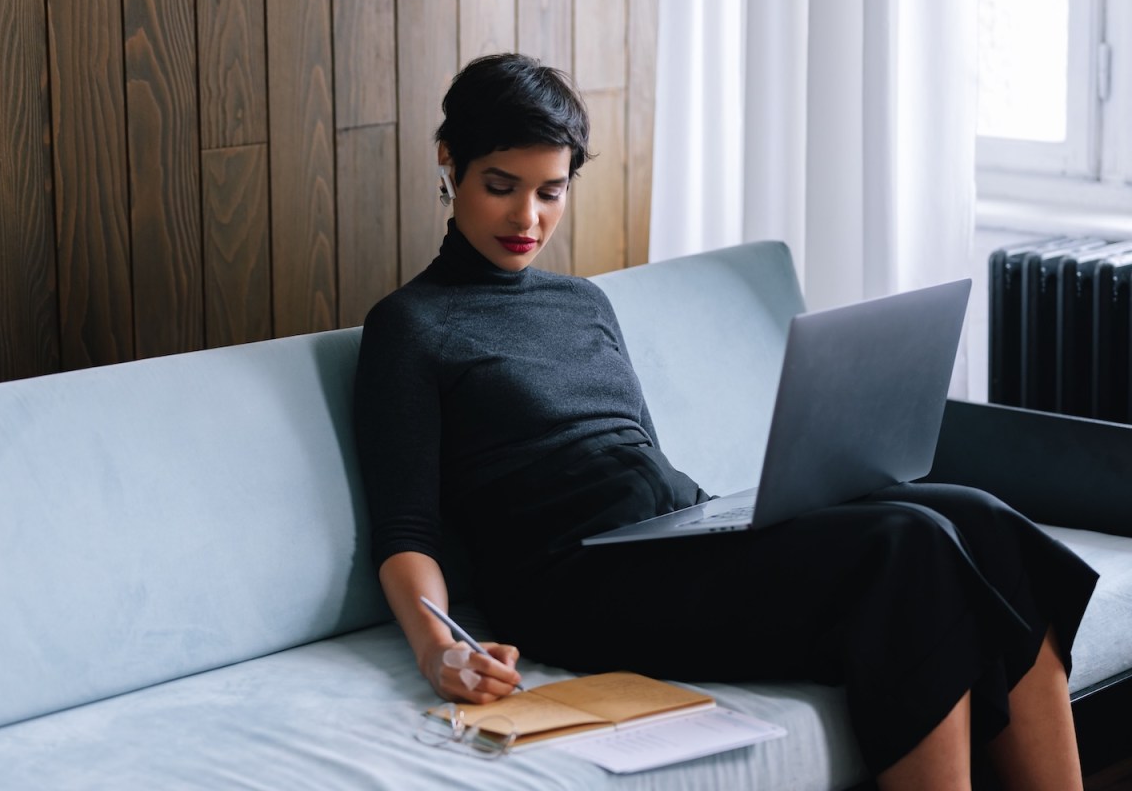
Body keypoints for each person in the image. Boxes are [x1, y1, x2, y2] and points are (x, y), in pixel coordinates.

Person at [353, 53, 1098, 790]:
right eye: (501, 188)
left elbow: (636, 452)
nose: (528, 217)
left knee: (982, 517)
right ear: (449, 162)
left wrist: (729, 520)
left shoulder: (582, 302)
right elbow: (406, 529)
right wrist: (437, 650)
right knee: (910, 545)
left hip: (673, 535)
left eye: (552, 191)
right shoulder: (411, 327)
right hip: (572, 582)